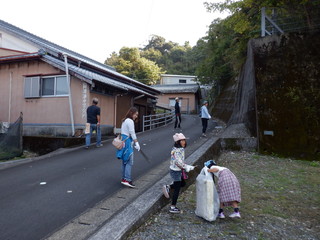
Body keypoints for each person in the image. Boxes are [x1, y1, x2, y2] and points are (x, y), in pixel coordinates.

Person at [162, 133, 195, 213]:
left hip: (176, 170)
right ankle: (173, 207)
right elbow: (178, 162)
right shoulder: (178, 150)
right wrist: (186, 167)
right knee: (177, 189)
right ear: (178, 142)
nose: (184, 142)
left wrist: (185, 166)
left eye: (184, 140)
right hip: (176, 171)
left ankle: (168, 187)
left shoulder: (176, 148)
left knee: (183, 184)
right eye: (182, 140)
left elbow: (178, 161)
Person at [116, 107, 140, 188]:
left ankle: (124, 178)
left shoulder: (125, 120)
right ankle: (127, 179)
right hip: (127, 143)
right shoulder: (130, 121)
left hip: (124, 142)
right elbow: (132, 133)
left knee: (125, 161)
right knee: (129, 161)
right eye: (136, 114)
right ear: (132, 113)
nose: (136, 116)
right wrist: (137, 142)